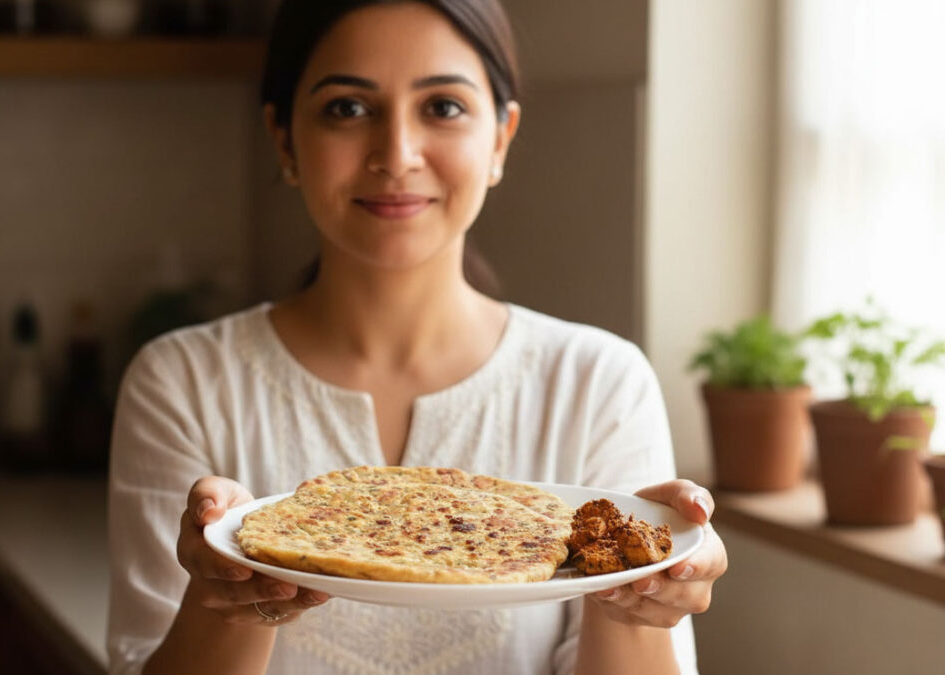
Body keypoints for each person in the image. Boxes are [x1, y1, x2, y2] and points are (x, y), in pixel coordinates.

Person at [106, 1, 728, 674]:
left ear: (500, 139)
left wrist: (637, 597)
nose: (397, 155)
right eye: (347, 108)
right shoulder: (183, 382)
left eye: (443, 107)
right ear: (283, 139)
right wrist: (230, 593)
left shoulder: (598, 384)